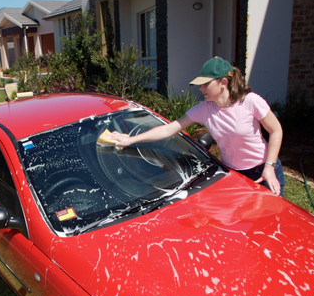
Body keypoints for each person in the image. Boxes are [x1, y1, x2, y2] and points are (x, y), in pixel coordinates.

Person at [109, 56, 285, 196]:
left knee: (269, 223)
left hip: (263, 170)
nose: (201, 89)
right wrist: (131, 139)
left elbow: (275, 130)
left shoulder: (250, 101)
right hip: (233, 173)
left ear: (223, 83)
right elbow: (169, 129)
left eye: (206, 84)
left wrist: (269, 167)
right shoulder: (204, 109)